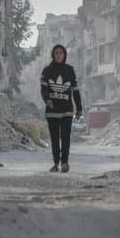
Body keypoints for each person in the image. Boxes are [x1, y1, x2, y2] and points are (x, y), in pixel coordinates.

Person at [40, 44, 83, 173]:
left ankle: (65, 162)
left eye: (61, 53)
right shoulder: (47, 71)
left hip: (67, 111)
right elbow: (43, 89)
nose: (58, 55)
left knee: (65, 137)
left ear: (64, 55)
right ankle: (55, 163)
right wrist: (47, 100)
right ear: (53, 55)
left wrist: (79, 108)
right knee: (54, 138)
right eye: (56, 53)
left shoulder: (70, 70)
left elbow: (75, 91)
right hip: (52, 111)